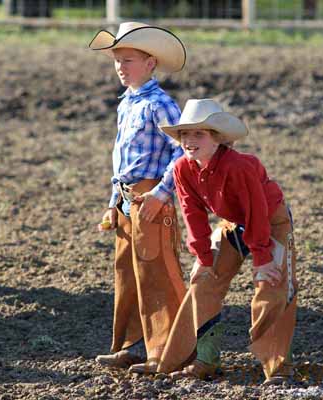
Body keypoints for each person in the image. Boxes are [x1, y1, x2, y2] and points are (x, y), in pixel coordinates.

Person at [156, 99, 298, 385]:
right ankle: (204, 358)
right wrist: (204, 258)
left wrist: (262, 257)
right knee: (203, 281)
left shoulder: (240, 166)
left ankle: (277, 367)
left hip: (270, 224)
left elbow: (257, 210)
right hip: (233, 224)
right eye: (185, 134)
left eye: (199, 134)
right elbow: (192, 214)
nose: (190, 140)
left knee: (271, 284)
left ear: (217, 139)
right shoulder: (182, 168)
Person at [88, 22, 188, 374]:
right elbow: (122, 159)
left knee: (156, 272)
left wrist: (161, 193)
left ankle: (165, 350)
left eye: (128, 60)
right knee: (128, 272)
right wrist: (114, 199)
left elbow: (184, 152)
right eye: (117, 60)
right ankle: (134, 344)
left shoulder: (160, 104)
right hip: (128, 198)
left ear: (150, 63)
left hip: (149, 197)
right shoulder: (128, 104)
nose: (120, 67)